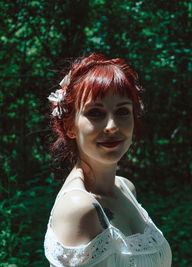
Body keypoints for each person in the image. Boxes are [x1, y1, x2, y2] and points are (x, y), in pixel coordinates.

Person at [44, 54, 172, 267]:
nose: (112, 126)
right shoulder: (80, 208)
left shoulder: (126, 188)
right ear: (70, 126)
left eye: (122, 111)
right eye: (95, 113)